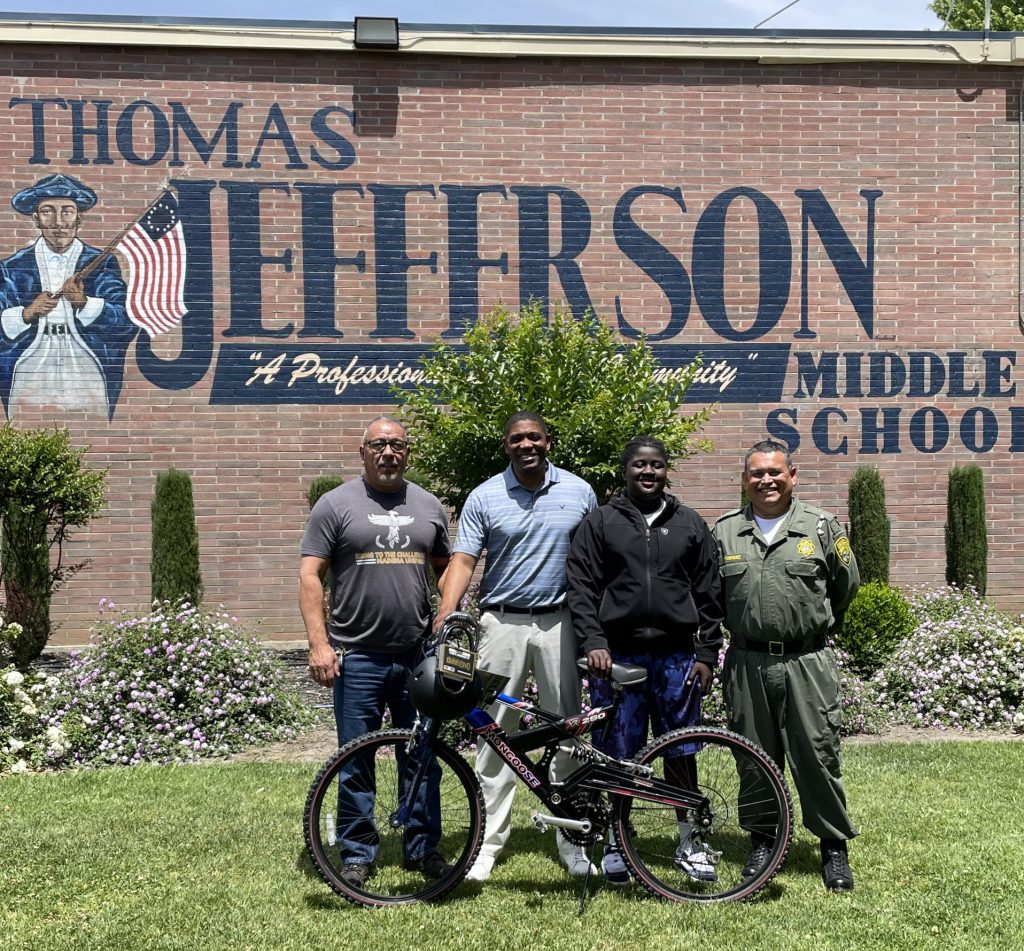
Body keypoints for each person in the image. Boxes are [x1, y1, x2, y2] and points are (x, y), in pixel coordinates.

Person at [434, 411, 598, 881]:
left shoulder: (579, 491)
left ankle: (571, 837)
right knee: (492, 734)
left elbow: (591, 561)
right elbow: (463, 561)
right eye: (516, 439)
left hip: (559, 625)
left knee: (567, 730)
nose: (526, 445)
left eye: (534, 437)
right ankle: (487, 843)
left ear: (548, 441)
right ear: (505, 446)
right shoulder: (485, 495)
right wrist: (447, 613)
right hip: (501, 623)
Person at [299, 416, 452, 888]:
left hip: (416, 656)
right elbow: (310, 576)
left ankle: (423, 847)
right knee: (355, 760)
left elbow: (447, 569)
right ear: (362, 451)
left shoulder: (428, 505)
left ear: (408, 452)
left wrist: (447, 613)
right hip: (357, 656)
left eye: (397, 445)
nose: (388, 453)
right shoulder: (335, 504)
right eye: (378, 445)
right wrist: (320, 644)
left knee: (422, 756)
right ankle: (357, 853)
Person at [566, 435, 724, 886]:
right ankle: (617, 840)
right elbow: (581, 587)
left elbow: (710, 595)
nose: (648, 473)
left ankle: (690, 841)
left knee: (680, 750)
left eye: (655, 465)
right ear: (625, 470)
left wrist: (707, 653)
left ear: (666, 470)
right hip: (617, 658)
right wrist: (593, 640)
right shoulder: (600, 523)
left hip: (676, 657)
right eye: (639, 465)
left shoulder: (690, 524)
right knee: (618, 753)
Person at [712, 438, 860, 893]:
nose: (766, 480)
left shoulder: (821, 527)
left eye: (775, 472)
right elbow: (712, 599)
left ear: (792, 476)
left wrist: (809, 627)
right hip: (747, 662)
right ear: (744, 480)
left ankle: (833, 847)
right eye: (756, 473)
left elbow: (846, 585)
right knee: (754, 757)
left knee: (817, 754)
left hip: (806, 662)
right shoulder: (724, 533)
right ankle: (763, 841)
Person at [0, 174, 136, 419]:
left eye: (67, 212)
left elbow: (125, 321)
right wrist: (27, 313)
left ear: (78, 218)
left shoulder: (100, 263)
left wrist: (83, 303)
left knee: (93, 424)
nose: (58, 222)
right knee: (24, 423)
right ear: (36, 219)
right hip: (32, 357)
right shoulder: (13, 266)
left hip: (84, 356)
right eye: (48, 212)